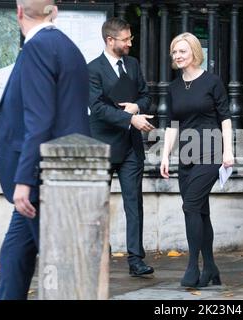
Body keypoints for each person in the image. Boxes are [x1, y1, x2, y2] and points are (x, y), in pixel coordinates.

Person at [0, 0, 91, 299]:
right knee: (13, 257)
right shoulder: (68, 47)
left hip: (41, 177)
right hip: (59, 172)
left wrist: (24, 180)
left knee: (62, 274)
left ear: (19, 13)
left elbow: (40, 119)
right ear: (54, 11)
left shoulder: (36, 48)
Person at [160, 32, 234, 288]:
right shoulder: (174, 87)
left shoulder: (212, 82)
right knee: (200, 211)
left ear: (194, 52)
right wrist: (165, 155)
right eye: (174, 52)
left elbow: (225, 118)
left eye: (182, 51)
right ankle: (211, 268)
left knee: (190, 207)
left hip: (211, 152)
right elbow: (171, 124)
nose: (178, 56)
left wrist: (228, 151)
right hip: (186, 155)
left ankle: (193, 266)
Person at [88, 17, 154, 277]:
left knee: (133, 203)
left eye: (130, 39)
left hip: (130, 147)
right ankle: (98, 254)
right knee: (97, 205)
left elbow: (146, 95)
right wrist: (131, 119)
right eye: (126, 39)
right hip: (103, 145)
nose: (129, 43)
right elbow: (99, 109)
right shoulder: (92, 69)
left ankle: (136, 259)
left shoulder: (133, 64)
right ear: (110, 40)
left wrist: (137, 107)